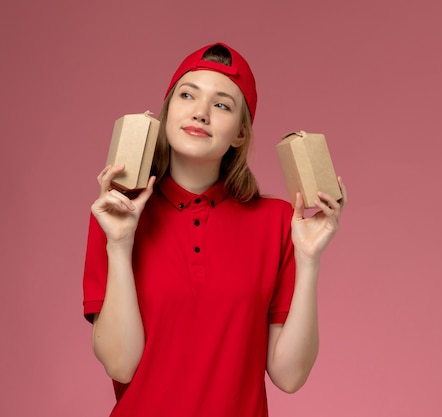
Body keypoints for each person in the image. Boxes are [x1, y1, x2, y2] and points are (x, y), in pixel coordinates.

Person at [82, 42, 347, 417]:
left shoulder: (278, 222)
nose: (200, 113)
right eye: (187, 95)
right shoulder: (115, 213)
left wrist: (308, 261)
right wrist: (120, 243)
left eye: (221, 104)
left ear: (240, 133)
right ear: (167, 111)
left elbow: (289, 376)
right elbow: (120, 365)